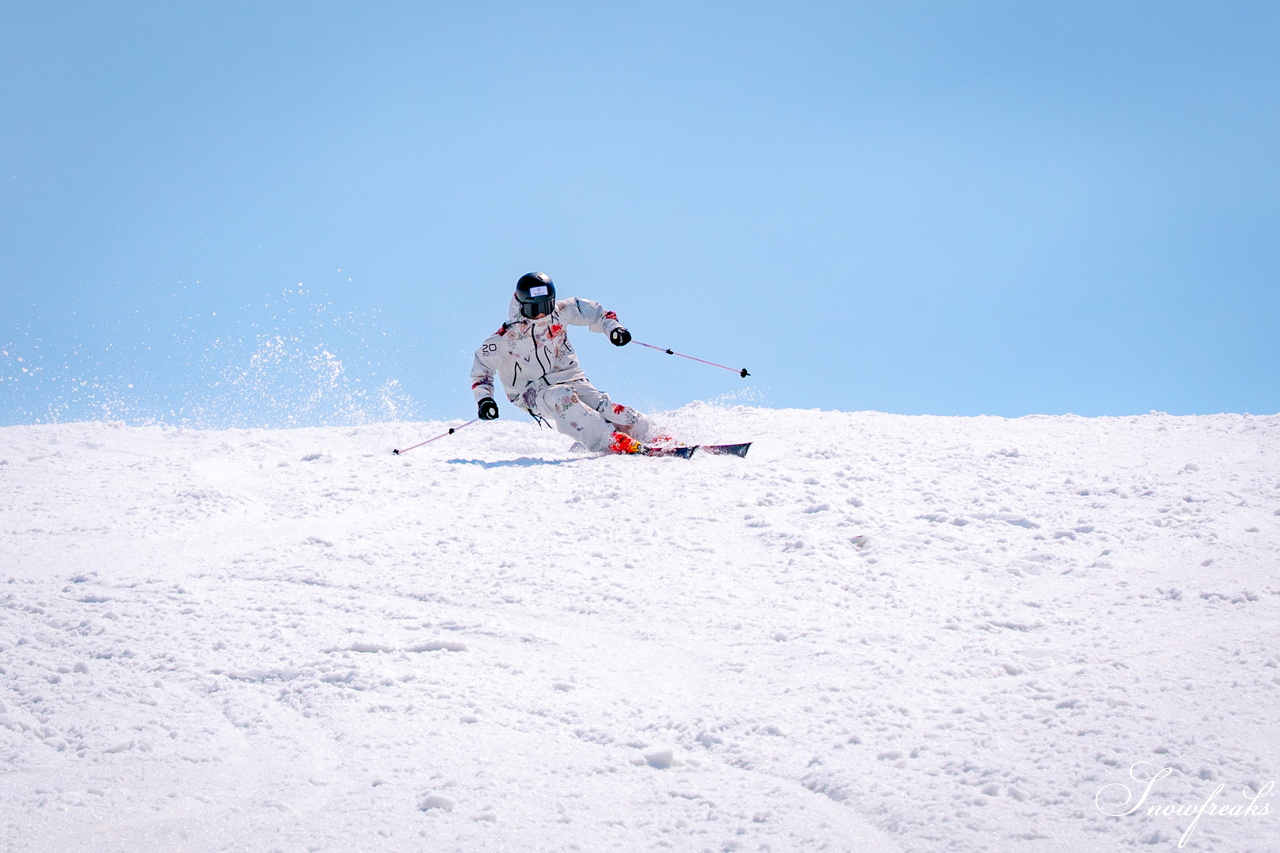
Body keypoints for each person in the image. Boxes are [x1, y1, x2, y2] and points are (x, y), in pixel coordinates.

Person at [470, 272, 660, 454]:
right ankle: (608, 440)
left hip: (570, 377)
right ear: (521, 305)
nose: (540, 315)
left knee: (605, 407)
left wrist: (614, 329)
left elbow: (597, 313)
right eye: (533, 309)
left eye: (545, 307)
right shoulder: (506, 338)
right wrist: (484, 400)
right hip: (529, 392)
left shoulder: (562, 311)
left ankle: (649, 433)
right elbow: (482, 369)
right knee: (562, 397)